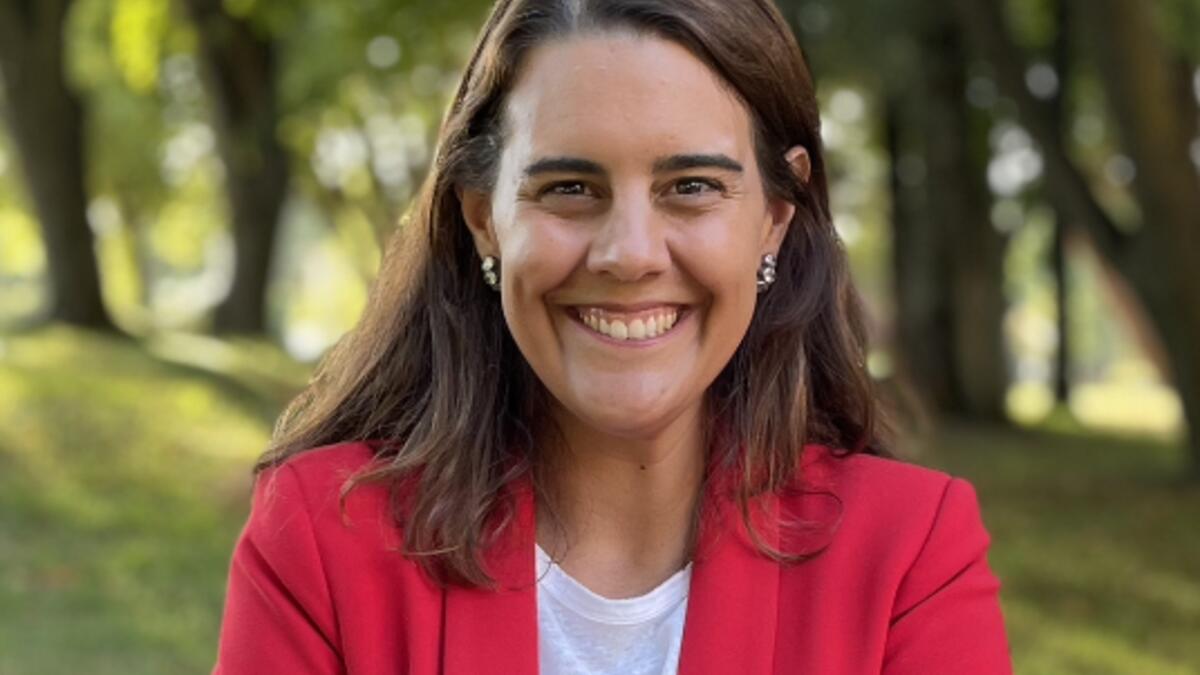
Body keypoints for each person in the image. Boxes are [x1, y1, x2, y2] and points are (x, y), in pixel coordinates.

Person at [212, 0, 1013, 673]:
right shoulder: (321, 539)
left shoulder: (910, 555)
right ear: (484, 218)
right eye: (569, 187)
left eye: (691, 186)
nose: (629, 254)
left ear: (775, 216)